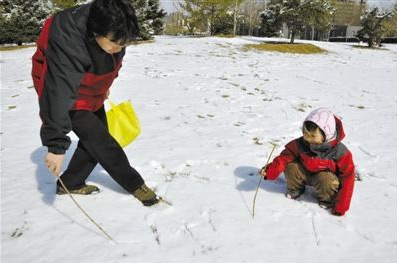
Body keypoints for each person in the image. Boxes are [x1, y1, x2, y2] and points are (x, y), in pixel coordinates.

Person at [31, 0, 159, 206]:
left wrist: (103, 86)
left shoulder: (115, 26)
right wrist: (55, 145)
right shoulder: (67, 36)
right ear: (95, 30)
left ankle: (71, 183)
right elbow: (58, 91)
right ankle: (135, 184)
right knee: (102, 141)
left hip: (90, 88)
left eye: (123, 44)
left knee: (94, 141)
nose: (118, 48)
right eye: (114, 43)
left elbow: (111, 61)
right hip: (62, 88)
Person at [260, 108, 355, 216]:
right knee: (291, 166)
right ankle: (295, 190)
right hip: (305, 173)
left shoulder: (340, 152)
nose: (307, 139)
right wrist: (270, 171)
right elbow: (283, 158)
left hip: (324, 180)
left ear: (326, 134)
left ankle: (327, 199)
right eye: (305, 133)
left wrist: (341, 206)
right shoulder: (301, 143)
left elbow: (348, 177)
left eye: (312, 136)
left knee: (326, 179)